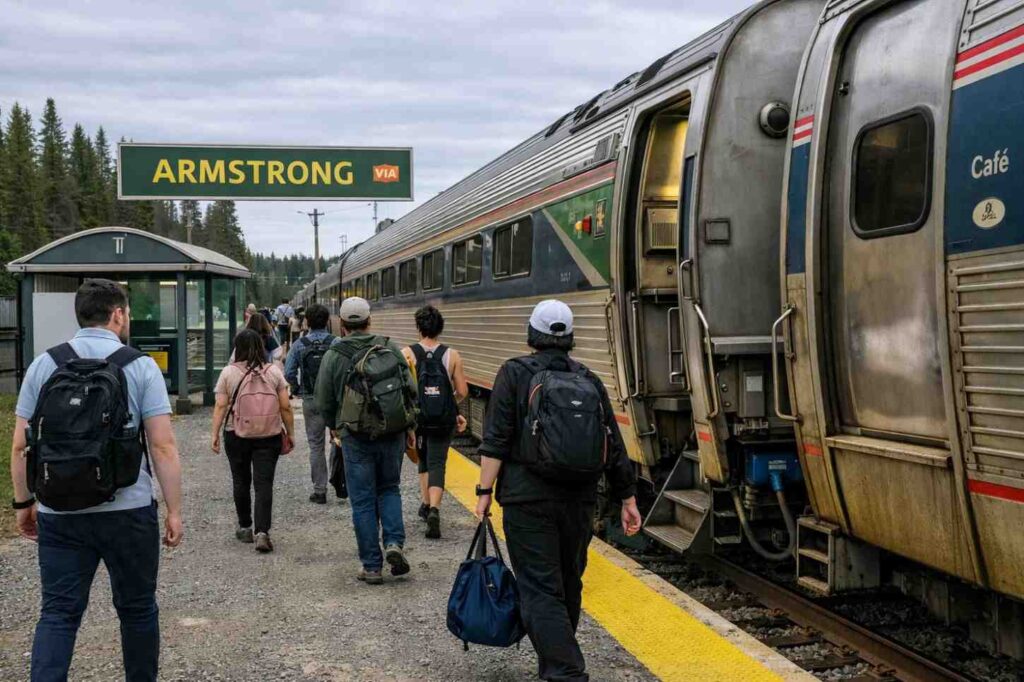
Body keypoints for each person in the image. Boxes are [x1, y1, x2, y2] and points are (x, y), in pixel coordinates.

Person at [10, 278, 184, 681]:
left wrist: (24, 503)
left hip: (59, 511)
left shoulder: (44, 364)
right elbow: (163, 447)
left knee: (58, 613)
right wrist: (174, 510)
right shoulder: (139, 365)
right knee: (137, 608)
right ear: (118, 314)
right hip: (128, 510)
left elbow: (20, 446)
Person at [474, 300, 642, 682]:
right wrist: (628, 498)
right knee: (568, 584)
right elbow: (613, 445)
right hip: (579, 499)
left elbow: (496, 440)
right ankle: (555, 665)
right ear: (569, 337)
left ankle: (566, 672)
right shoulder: (589, 379)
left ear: (531, 333)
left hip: (526, 499)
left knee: (539, 589)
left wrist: (484, 491)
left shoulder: (514, 373)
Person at [315, 296, 416, 585]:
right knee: (389, 488)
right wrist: (410, 425)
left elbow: (323, 399)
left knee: (362, 501)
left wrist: (335, 427)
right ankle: (394, 543)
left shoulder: (335, 355)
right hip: (392, 433)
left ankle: (372, 566)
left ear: (343, 326)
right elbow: (410, 389)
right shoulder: (389, 347)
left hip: (355, 436)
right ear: (370, 320)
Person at [211, 330, 295, 553]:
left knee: (240, 480)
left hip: (236, 433)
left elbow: (220, 406)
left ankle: (245, 527)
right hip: (269, 435)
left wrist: (214, 434)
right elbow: (285, 406)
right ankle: (263, 532)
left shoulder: (228, 373)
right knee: (263, 483)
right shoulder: (273, 372)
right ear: (260, 346)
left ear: (237, 347)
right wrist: (290, 432)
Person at [401, 305, 468, 540]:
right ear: (440, 328)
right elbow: (462, 390)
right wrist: (450, 404)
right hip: (443, 420)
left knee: (423, 459)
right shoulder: (453, 355)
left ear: (419, 327)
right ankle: (435, 510)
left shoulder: (406, 353)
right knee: (439, 462)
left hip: (418, 419)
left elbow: (403, 390)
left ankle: (426, 504)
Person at [284, 303, 336, 504]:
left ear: (307, 322)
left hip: (311, 400)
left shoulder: (299, 344)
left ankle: (320, 490)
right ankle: (339, 481)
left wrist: (297, 389)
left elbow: (288, 372)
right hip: (333, 401)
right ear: (327, 321)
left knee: (316, 446)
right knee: (338, 441)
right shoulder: (336, 342)